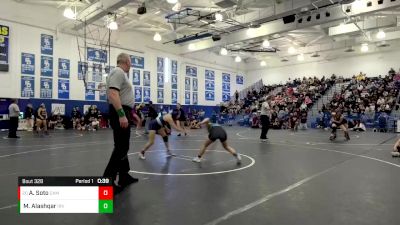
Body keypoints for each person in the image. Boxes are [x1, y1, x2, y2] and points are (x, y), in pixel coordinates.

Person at [103, 53, 138, 191]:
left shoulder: (120, 73)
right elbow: (113, 94)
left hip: (124, 111)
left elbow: (121, 95)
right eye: (130, 62)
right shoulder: (118, 71)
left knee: (122, 146)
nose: (131, 65)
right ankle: (107, 181)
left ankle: (123, 176)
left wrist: (130, 114)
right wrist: (122, 115)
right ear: (126, 61)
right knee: (121, 147)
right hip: (120, 112)